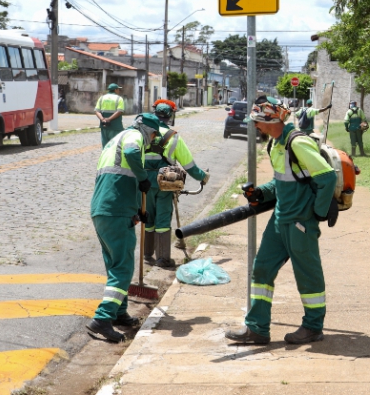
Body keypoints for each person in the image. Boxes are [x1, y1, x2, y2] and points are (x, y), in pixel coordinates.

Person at [225, 98, 337, 345]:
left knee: (307, 275)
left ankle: (313, 327)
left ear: (270, 120)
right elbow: (282, 181)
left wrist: (317, 214)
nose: (254, 127)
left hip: (300, 222)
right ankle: (257, 329)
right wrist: (261, 193)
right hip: (280, 220)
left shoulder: (297, 142)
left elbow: (327, 177)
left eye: (256, 122)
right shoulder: (276, 144)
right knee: (262, 268)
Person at [86, 113, 164, 343]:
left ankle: (119, 313)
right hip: (115, 210)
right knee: (122, 268)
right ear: (147, 131)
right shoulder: (133, 137)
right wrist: (142, 178)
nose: (152, 140)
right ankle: (102, 318)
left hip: (103, 210)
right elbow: (131, 155)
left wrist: (135, 211)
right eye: (153, 135)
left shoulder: (114, 140)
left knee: (114, 265)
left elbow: (117, 179)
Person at [142, 102, 210, 267]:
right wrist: (203, 177)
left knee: (148, 218)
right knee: (163, 220)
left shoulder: (142, 133)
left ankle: (147, 254)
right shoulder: (173, 137)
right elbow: (189, 165)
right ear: (170, 116)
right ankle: (163, 258)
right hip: (166, 182)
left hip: (143, 183)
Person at [95, 83, 126, 148]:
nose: (119, 91)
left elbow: (97, 111)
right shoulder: (119, 98)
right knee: (115, 146)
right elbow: (119, 111)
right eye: (118, 89)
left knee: (105, 146)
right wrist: (109, 119)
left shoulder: (101, 98)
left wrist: (103, 119)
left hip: (104, 126)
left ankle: (105, 157)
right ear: (115, 90)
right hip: (115, 126)